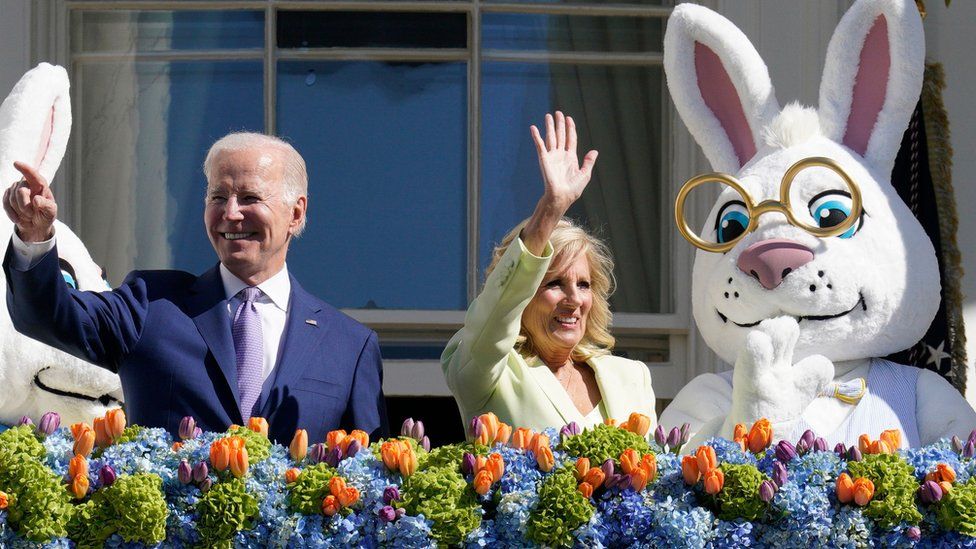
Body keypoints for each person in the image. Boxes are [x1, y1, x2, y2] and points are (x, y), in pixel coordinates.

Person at [2, 132, 388, 444]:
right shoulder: (151, 304)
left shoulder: (349, 347)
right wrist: (35, 236)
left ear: (296, 212)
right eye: (218, 197)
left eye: (250, 198)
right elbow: (45, 316)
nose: (231, 213)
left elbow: (372, 483)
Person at [441, 112, 656, 433]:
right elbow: (497, 308)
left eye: (584, 285)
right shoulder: (487, 371)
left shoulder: (631, 377)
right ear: (523, 294)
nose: (573, 299)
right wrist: (551, 208)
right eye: (554, 282)